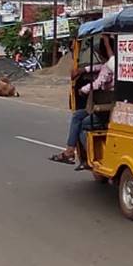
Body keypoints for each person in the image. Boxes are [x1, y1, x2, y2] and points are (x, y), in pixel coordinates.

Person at [51, 36, 114, 168]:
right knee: (78, 115)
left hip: (107, 111)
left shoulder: (112, 65)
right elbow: (100, 67)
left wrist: (83, 90)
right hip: (108, 107)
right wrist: (83, 70)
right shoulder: (114, 64)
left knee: (83, 125)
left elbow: (98, 83)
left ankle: (89, 157)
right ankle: (70, 151)